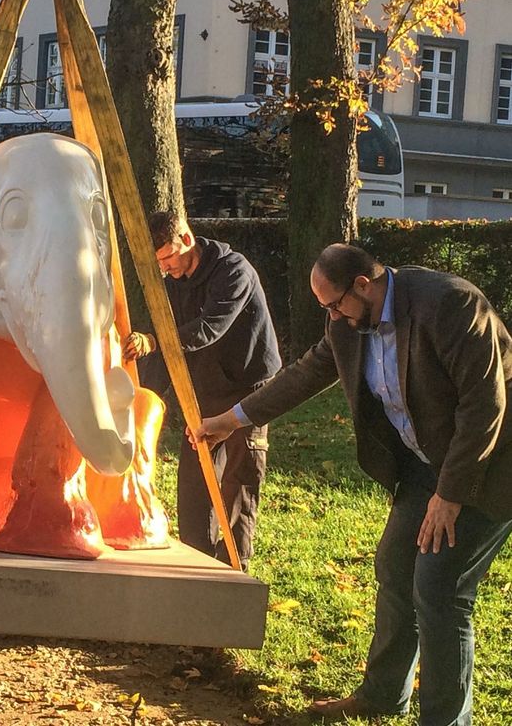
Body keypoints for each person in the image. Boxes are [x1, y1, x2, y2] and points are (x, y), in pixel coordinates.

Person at [191, 244, 512, 724]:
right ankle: (383, 695)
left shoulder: (451, 304)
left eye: (335, 304)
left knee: (441, 589)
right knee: (396, 568)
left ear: (364, 284)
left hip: (491, 466)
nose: (333, 317)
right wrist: (231, 420)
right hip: (429, 464)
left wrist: (450, 496)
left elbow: (484, 407)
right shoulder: (348, 322)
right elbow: (303, 374)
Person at [123, 211, 280, 571]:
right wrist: (145, 397)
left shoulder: (233, 271)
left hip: (247, 387)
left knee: (239, 480)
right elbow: (169, 338)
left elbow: (211, 327)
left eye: (168, 258)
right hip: (203, 389)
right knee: (194, 481)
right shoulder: (174, 282)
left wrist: (153, 341)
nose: (166, 268)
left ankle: (234, 566)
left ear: (187, 240)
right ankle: (197, 560)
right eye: (158, 262)